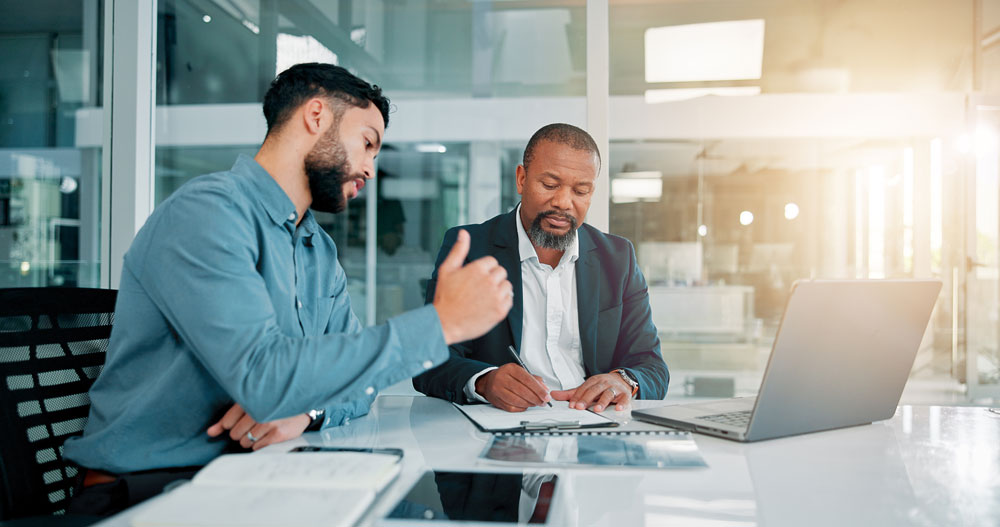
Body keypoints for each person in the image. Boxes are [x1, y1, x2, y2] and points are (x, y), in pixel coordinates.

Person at [63, 63, 513, 514]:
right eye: (368, 143)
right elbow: (264, 377)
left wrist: (307, 413)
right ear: (316, 115)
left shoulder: (318, 249)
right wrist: (438, 324)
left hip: (253, 478)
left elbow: (358, 387)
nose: (371, 169)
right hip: (148, 492)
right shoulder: (207, 214)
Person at [413, 124, 668, 413]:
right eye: (549, 185)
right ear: (521, 179)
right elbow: (429, 361)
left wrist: (625, 381)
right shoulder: (470, 247)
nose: (563, 202)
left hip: (595, 423)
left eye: (580, 190)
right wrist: (484, 382)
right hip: (503, 423)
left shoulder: (618, 257)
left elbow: (651, 365)